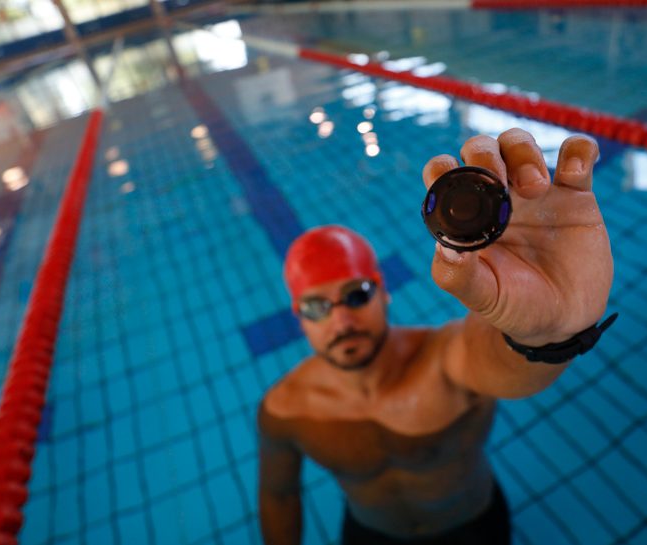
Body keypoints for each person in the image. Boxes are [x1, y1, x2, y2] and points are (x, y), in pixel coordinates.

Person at [258, 129, 614, 545]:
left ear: (383, 293)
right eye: (317, 307)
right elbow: (279, 494)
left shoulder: (442, 359)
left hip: (472, 529)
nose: (341, 321)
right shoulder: (285, 411)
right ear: (298, 317)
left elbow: (499, 363)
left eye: (356, 295)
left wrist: (545, 333)